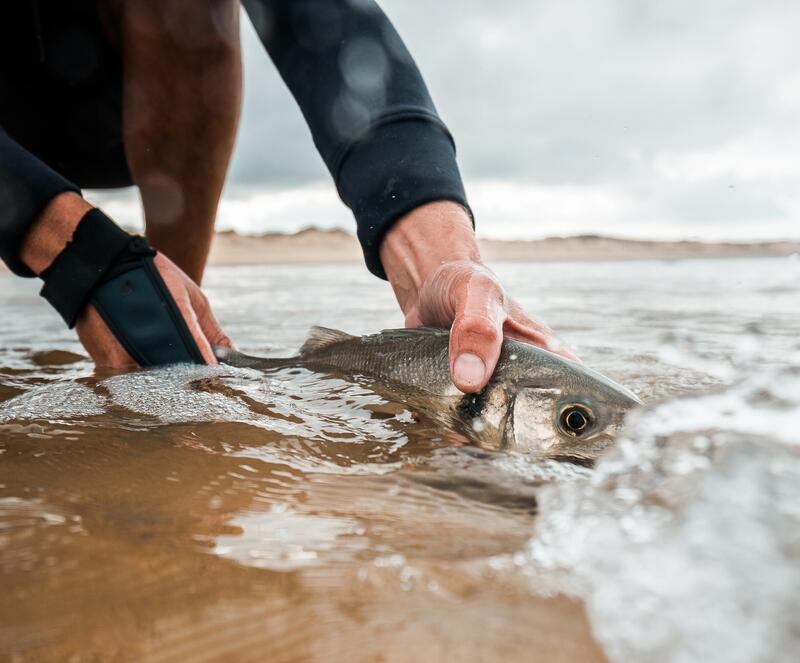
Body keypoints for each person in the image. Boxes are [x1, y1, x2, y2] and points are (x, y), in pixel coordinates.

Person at [0, 0, 574, 392]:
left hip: (115, 106)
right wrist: (68, 243)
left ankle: (175, 329)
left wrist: (441, 254)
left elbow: (328, 28)